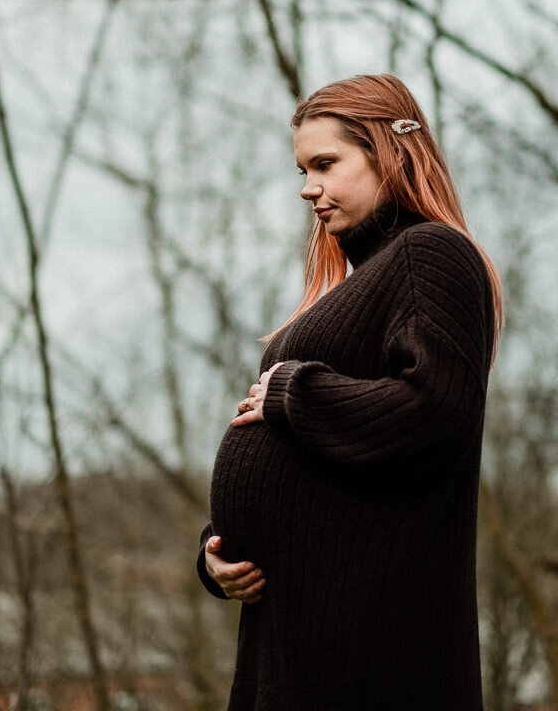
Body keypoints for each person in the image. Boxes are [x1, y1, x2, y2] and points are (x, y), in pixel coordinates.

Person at [197, 73, 502, 711]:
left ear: (388, 152)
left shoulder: (431, 254)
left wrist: (291, 392)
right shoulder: (373, 276)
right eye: (303, 171)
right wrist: (218, 552)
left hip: (368, 644)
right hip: (294, 632)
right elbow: (314, 469)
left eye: (326, 164)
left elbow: (436, 407)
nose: (309, 188)